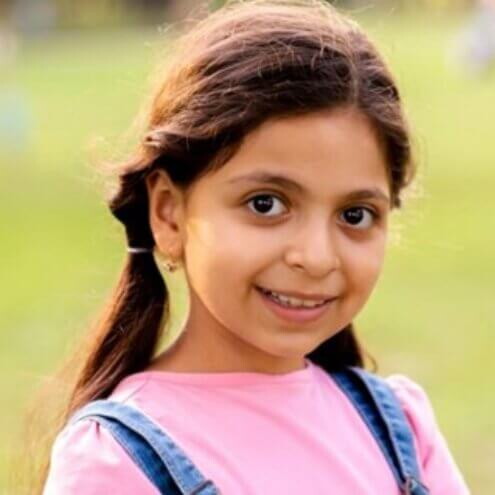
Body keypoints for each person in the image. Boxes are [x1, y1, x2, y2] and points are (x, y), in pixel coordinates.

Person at [40, 1, 470, 493]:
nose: (316, 257)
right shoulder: (115, 462)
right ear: (168, 212)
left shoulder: (402, 434)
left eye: (355, 215)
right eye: (265, 204)